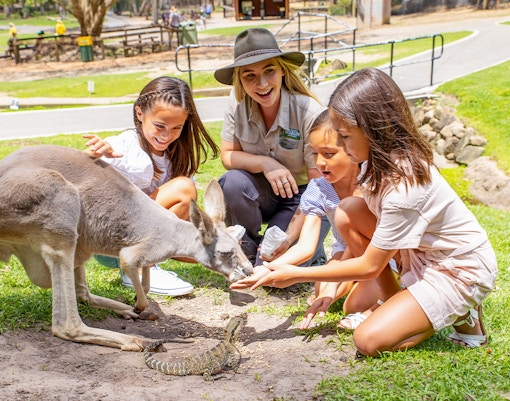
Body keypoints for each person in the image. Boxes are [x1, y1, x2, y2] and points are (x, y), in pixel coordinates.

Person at [249, 68, 498, 356]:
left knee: (368, 341)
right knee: (347, 211)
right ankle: (402, 304)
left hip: (456, 268)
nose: (340, 146)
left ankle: (458, 312)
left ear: (372, 129)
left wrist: (297, 274)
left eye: (344, 137)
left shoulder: (404, 184)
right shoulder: (372, 161)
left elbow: (368, 266)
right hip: (416, 256)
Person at [231, 110, 400, 328]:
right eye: (314, 154)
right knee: (324, 290)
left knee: (351, 305)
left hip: (382, 252)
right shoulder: (319, 188)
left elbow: (354, 244)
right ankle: (365, 289)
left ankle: (394, 289)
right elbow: (306, 247)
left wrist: (333, 279)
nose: (319, 163)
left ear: (350, 150)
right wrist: (266, 268)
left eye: (328, 154)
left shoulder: (368, 180)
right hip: (346, 252)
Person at [83, 76, 219, 296]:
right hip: (109, 239)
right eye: (159, 126)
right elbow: (74, 180)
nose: (166, 135)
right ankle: (138, 269)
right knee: (183, 189)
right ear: (140, 113)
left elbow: (182, 219)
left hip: (134, 236)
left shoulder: (176, 156)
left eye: (177, 128)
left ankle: (147, 263)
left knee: (207, 245)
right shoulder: (122, 145)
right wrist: (92, 156)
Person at [213, 27, 329, 268]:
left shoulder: (309, 112)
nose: (262, 84)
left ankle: (308, 251)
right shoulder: (236, 105)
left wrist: (291, 237)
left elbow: (319, 185)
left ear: (283, 71)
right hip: (261, 193)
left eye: (269, 71)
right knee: (232, 182)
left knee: (273, 270)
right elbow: (227, 155)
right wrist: (266, 164)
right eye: (250, 76)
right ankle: (245, 248)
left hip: (303, 196)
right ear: (239, 80)